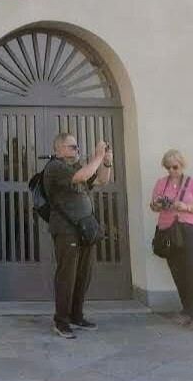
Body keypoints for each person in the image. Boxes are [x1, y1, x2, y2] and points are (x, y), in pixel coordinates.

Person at [43, 132, 113, 339]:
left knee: (83, 274)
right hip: (66, 229)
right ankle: (61, 321)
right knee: (67, 275)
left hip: (84, 229)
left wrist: (106, 163)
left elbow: (101, 180)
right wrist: (98, 156)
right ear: (59, 149)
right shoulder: (55, 168)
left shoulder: (76, 166)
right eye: (72, 146)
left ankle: (76, 315)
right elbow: (82, 177)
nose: (77, 150)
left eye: (77, 146)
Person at [150, 149, 193, 331]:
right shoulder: (161, 183)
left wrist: (186, 206)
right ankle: (187, 310)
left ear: (182, 165)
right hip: (168, 231)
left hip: (191, 230)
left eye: (175, 167)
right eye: (167, 167)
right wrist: (158, 204)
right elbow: (153, 206)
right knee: (177, 271)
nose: (171, 171)